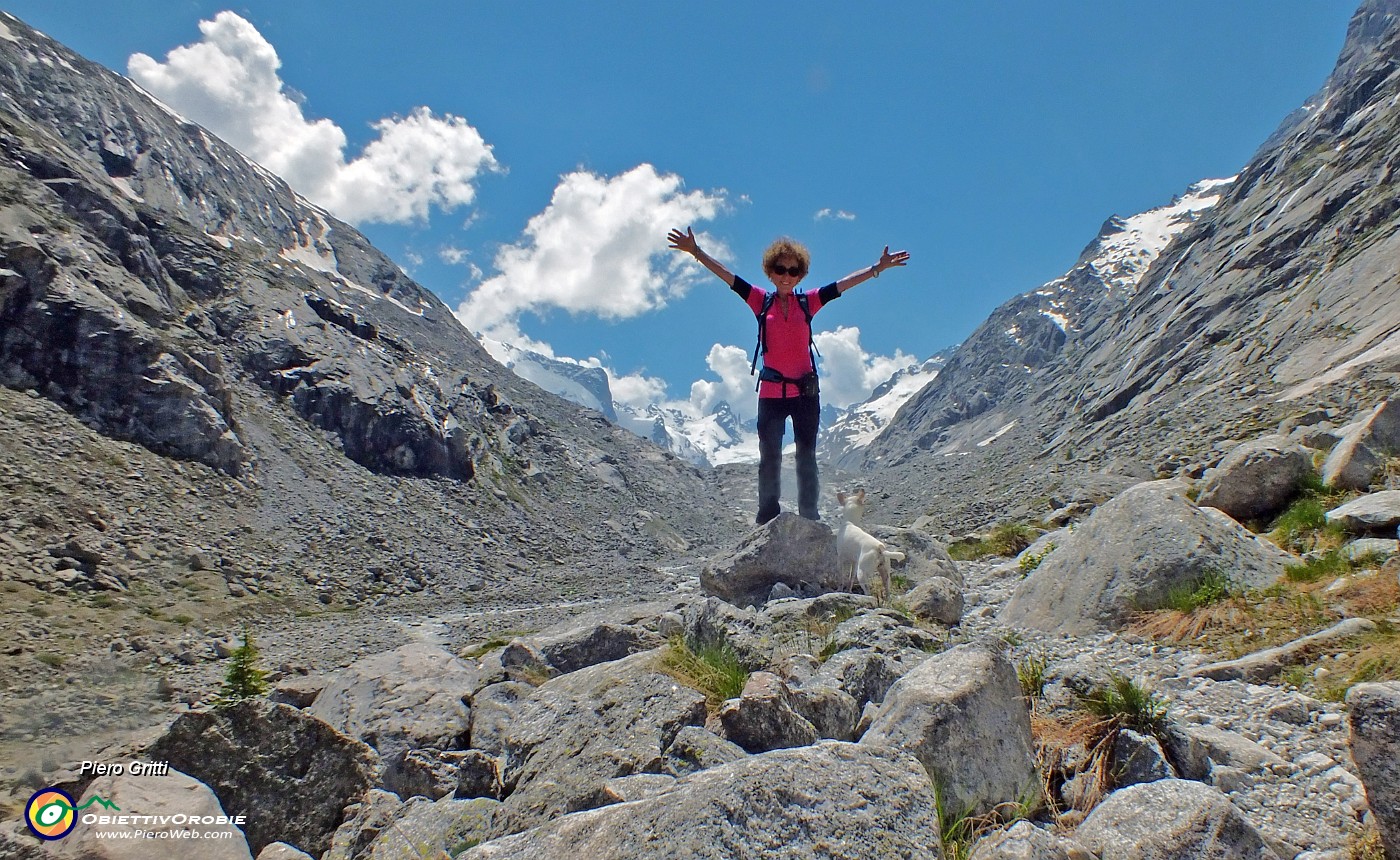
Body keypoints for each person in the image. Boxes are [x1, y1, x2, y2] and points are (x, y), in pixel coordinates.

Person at [667, 227, 910, 524]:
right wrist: (696, 252)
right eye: (780, 269)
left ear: (801, 275)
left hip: (806, 395)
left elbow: (843, 285)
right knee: (769, 457)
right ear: (770, 272)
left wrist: (877, 268)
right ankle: (768, 518)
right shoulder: (760, 300)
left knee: (806, 457)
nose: (786, 276)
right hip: (771, 394)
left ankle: (809, 516)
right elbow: (728, 277)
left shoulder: (809, 302)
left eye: (793, 271)